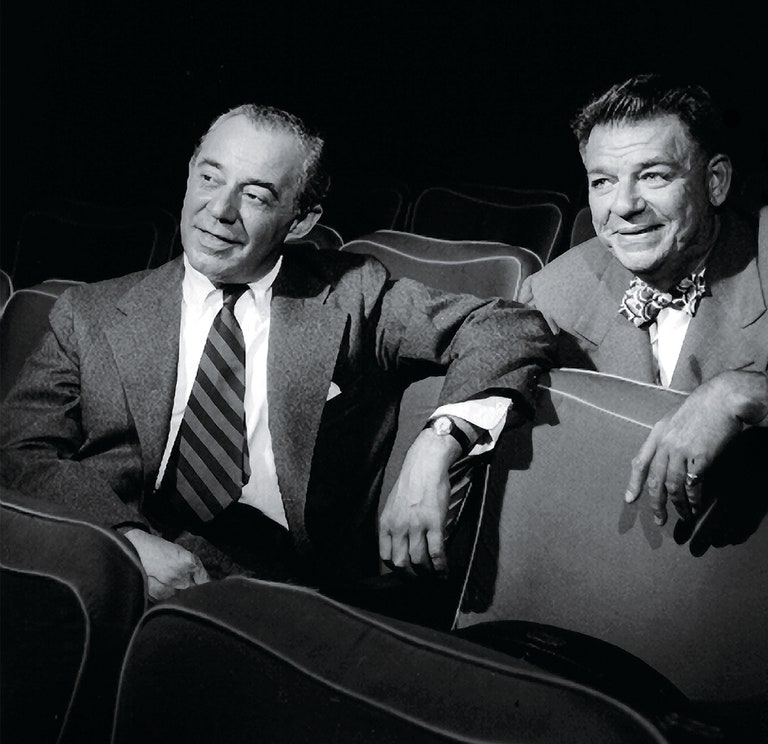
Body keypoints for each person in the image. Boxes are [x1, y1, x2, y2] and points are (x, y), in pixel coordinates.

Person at [0, 104, 555, 602]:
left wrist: (439, 443)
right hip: (113, 560)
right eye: (209, 177)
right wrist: (121, 540)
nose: (219, 209)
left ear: (303, 218)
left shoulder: (352, 295)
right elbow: (21, 448)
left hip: (282, 586)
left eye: (256, 195)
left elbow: (507, 326)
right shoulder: (90, 313)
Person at [519, 73, 768, 527]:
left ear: (715, 181)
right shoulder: (553, 291)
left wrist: (745, 391)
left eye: (652, 175)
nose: (624, 204)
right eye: (602, 182)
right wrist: (440, 439)